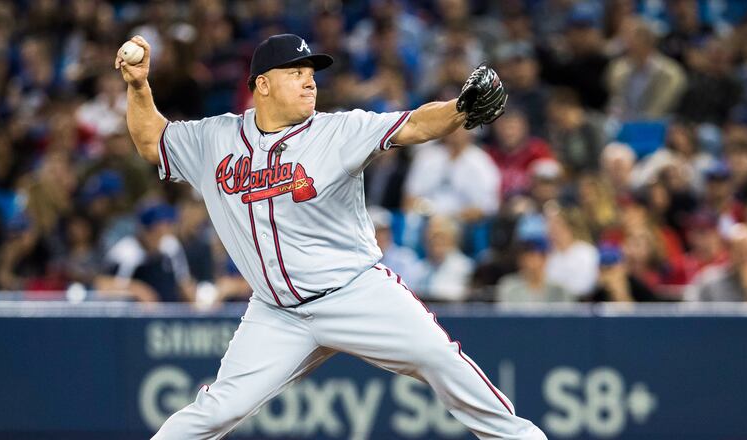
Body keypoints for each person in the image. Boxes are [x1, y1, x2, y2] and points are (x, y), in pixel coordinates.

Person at [116, 34, 545, 439]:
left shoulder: (338, 131)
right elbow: (152, 139)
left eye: (311, 72)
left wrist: (459, 110)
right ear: (262, 85)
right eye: (295, 71)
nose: (309, 80)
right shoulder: (215, 139)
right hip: (277, 312)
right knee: (217, 409)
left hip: (354, 291)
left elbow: (413, 125)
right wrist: (138, 86)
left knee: (440, 359)